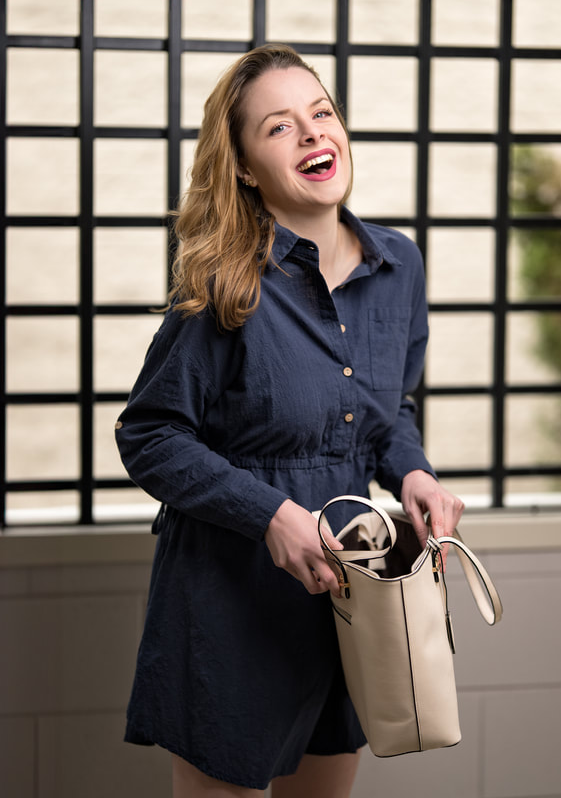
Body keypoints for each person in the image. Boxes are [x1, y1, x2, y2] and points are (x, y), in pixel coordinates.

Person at [116, 43, 465, 798]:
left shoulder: (399, 266)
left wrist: (413, 471)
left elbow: (383, 413)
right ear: (243, 165)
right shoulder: (225, 281)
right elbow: (149, 436)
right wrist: (270, 514)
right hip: (227, 599)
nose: (312, 133)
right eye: (279, 127)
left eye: (322, 113)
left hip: (348, 597)